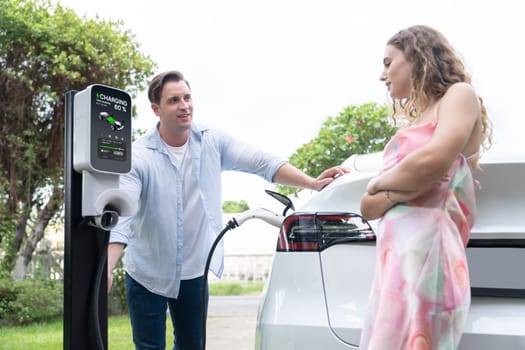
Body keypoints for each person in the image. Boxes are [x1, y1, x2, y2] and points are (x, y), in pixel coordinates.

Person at [107, 70, 349, 350]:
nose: (184, 106)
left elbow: (262, 162)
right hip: (147, 271)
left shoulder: (212, 141)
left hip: (194, 271)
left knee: (192, 345)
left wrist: (312, 183)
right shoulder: (139, 156)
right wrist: (109, 267)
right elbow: (123, 217)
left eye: (187, 97)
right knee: (149, 347)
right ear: (156, 109)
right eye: (174, 100)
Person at [359, 25, 492, 349]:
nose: (382, 75)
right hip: (395, 268)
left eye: (388, 63)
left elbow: (432, 161)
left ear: (417, 56)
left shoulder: (458, 95)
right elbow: (366, 206)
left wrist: (379, 183)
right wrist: (402, 189)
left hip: (428, 261)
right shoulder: (419, 121)